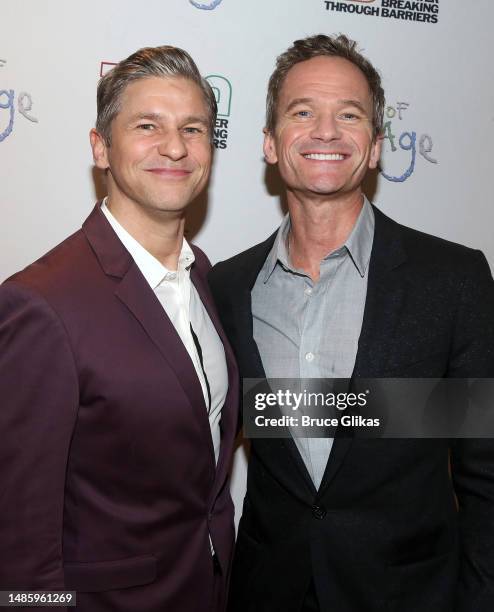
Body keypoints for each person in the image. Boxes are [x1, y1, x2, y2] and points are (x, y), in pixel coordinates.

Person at [208, 34, 494, 612]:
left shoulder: (454, 280)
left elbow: (486, 475)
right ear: (270, 142)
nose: (326, 131)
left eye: (349, 114)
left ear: (375, 145)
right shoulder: (227, 289)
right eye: (302, 112)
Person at [0, 45, 238, 612]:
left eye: (193, 128)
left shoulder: (205, 275)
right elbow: (19, 539)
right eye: (147, 126)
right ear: (101, 148)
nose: (175, 147)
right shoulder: (41, 304)